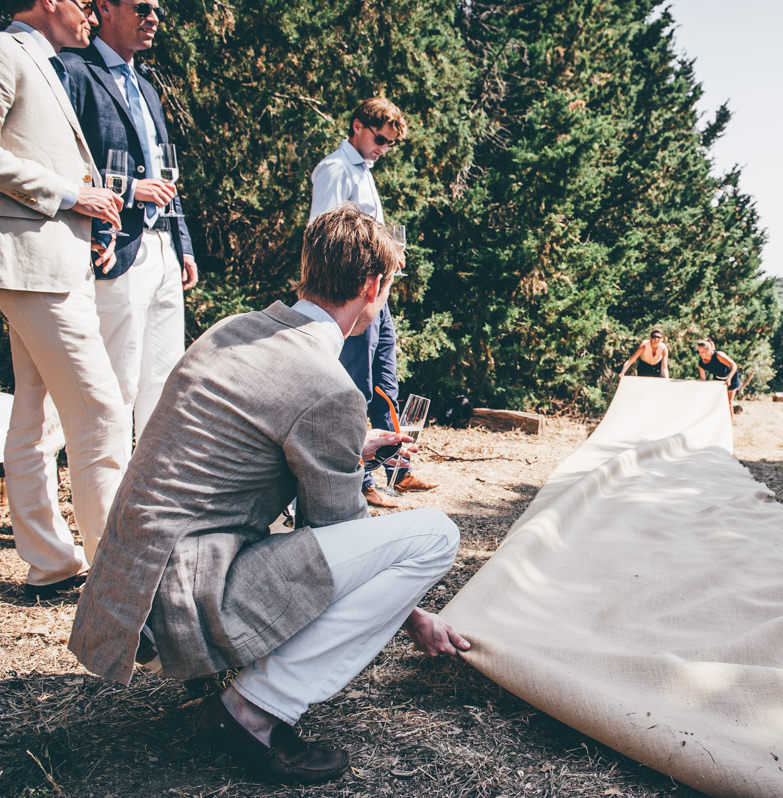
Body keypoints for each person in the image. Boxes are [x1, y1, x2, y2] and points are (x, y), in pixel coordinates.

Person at [69, 206, 469, 784]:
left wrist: (347, 446)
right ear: (372, 288)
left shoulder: (233, 330)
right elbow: (337, 532)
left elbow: (239, 443)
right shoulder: (328, 386)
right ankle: (254, 710)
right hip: (186, 602)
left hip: (130, 599)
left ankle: (240, 691)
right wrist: (414, 619)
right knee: (436, 535)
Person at [1, 0, 131, 600]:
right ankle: (115, 566)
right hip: (33, 268)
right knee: (101, 409)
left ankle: (52, 562)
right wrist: (69, 196)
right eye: (83, 1)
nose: (90, 11)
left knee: (36, 414)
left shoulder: (46, 61)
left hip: (55, 260)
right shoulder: (6, 51)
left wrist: (88, 227)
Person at [61, 0, 198, 442]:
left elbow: (164, 173)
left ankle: (152, 498)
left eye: (157, 9)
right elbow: (61, 163)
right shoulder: (74, 71)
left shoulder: (146, 87)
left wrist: (183, 246)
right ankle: (114, 503)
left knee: (164, 386)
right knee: (116, 386)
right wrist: (127, 191)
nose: (153, 17)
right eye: (142, 7)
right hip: (114, 246)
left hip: (163, 250)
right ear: (104, 7)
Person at [309, 97, 434, 506]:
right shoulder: (335, 169)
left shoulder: (364, 171)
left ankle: (398, 468)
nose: (383, 148)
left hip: (379, 290)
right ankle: (360, 480)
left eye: (390, 143)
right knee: (358, 385)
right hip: (353, 296)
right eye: (379, 138)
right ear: (357, 126)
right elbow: (325, 236)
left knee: (386, 380)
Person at [696, 339, 739, 415]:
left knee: (728, 403)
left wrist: (729, 379)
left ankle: (730, 424)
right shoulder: (701, 363)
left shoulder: (718, 355)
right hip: (718, 379)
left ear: (709, 350)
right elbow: (703, 380)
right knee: (718, 403)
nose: (701, 354)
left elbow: (734, 365)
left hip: (731, 378)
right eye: (699, 352)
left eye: (703, 351)